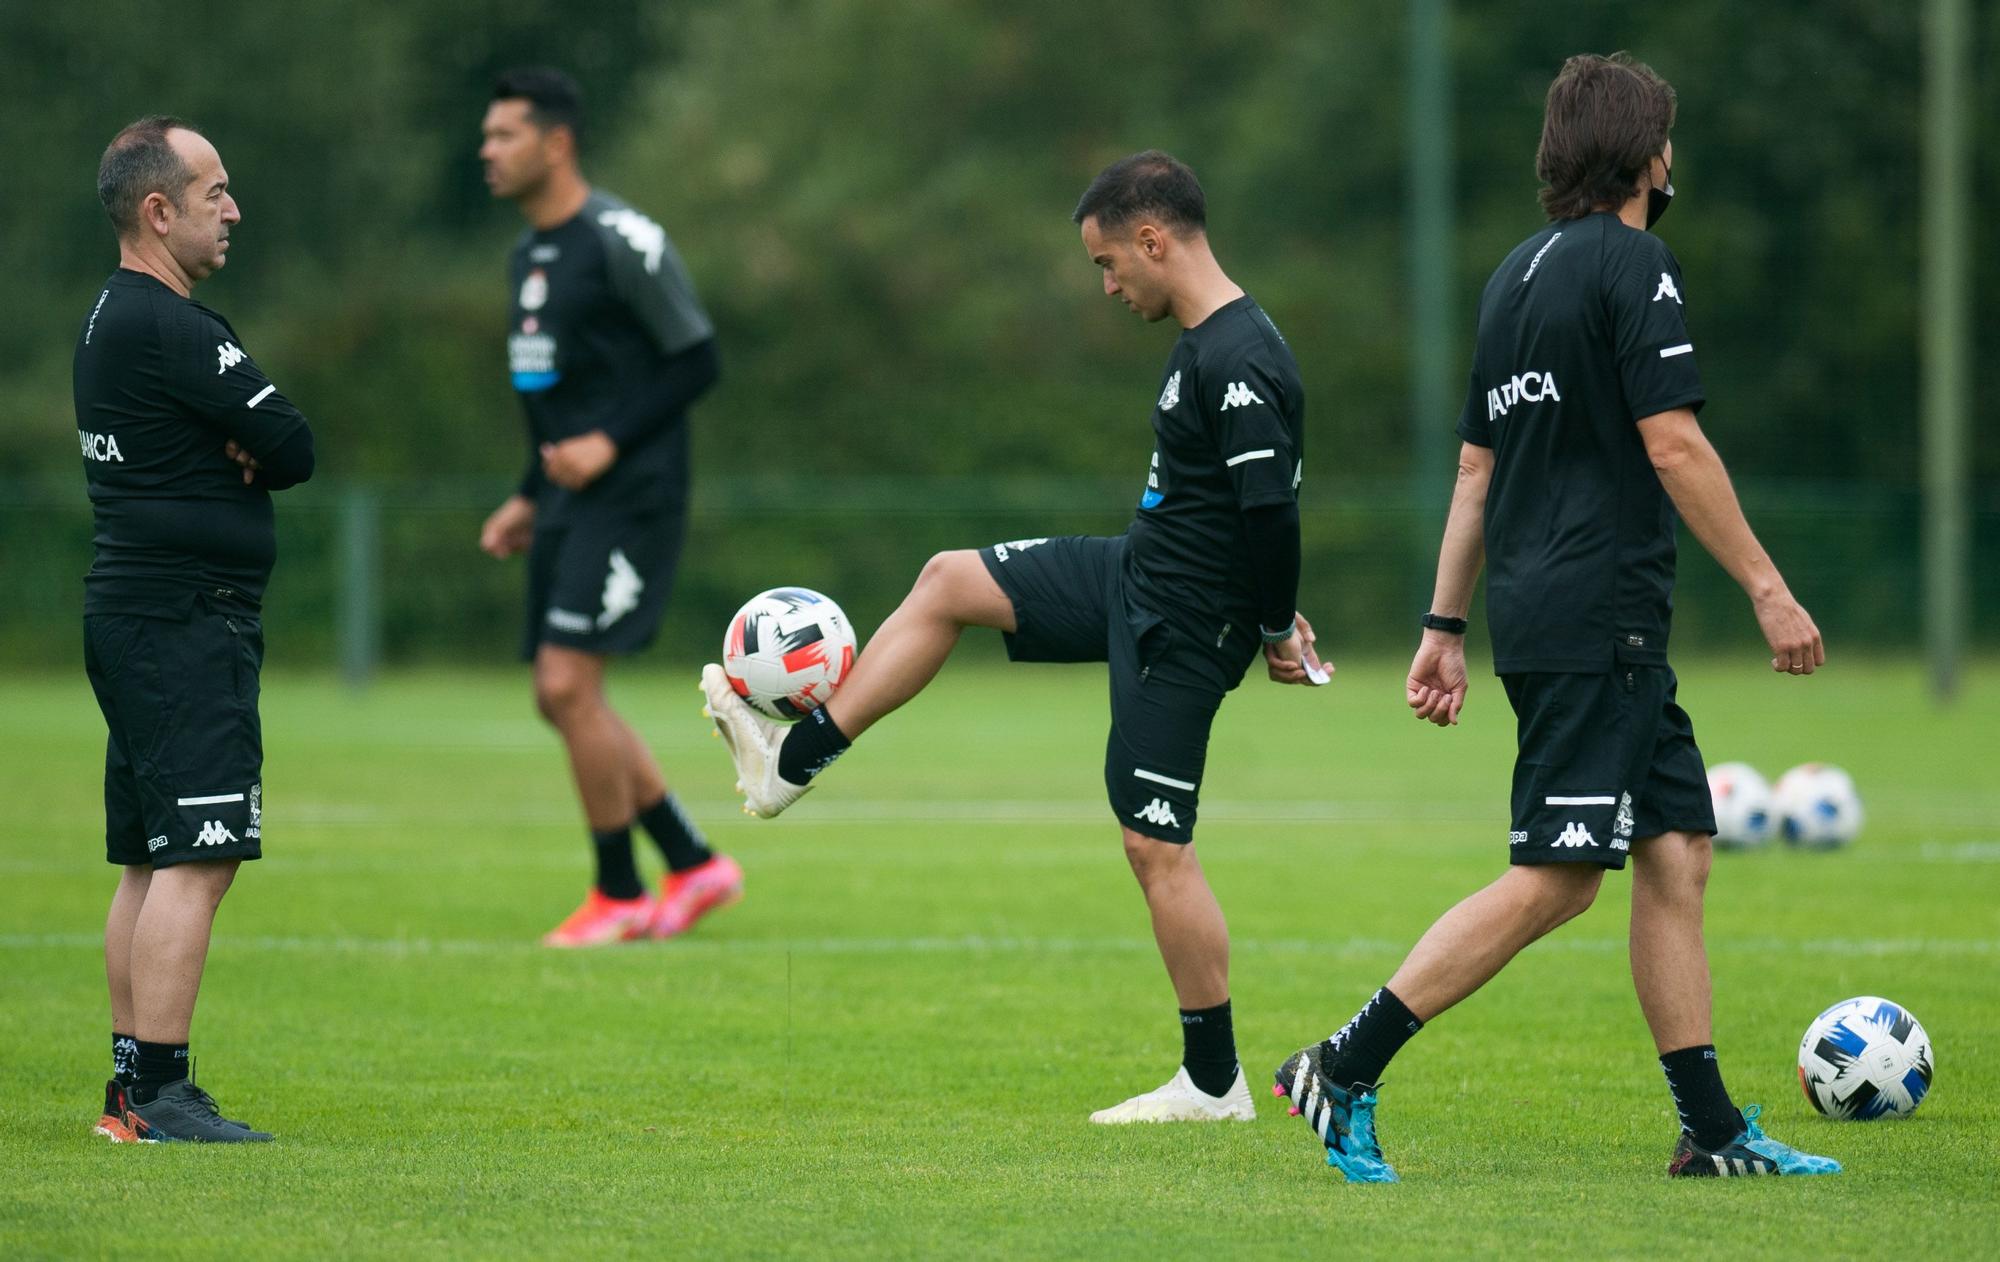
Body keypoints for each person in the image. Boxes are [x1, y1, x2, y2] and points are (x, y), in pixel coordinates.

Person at [1273, 53, 1840, 1182]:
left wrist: (1442, 623)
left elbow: (1476, 470)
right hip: (1597, 619)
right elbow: (1670, 441)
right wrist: (1768, 587)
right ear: (1645, 155)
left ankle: (1710, 1129)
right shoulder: (1637, 265)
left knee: (1674, 852)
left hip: (1561, 614)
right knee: (1559, 876)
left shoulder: (1510, 278)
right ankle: (1342, 1064)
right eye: (1666, 141)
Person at [701, 151, 1328, 1123]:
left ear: (1153, 239)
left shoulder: (1242, 357)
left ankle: (1212, 1082)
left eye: (1107, 263)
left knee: (1153, 842)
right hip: (1134, 575)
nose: (1108, 283)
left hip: (1185, 621)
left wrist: (1272, 624)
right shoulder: (1203, 345)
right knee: (950, 578)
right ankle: (791, 763)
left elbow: (1271, 516)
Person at [77, 116, 317, 1143]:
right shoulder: (175, 326)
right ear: (156, 210)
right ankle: (162, 1095)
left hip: (140, 615)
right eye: (214, 189)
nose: (234, 206)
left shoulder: (111, 319)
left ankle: (132, 1085)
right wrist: (241, 445)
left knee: (152, 855)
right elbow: (293, 444)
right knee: (198, 855)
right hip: (181, 621)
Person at [476, 68, 739, 947]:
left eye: (505, 134)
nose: (488, 151)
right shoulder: (526, 256)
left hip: (632, 496)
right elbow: (553, 403)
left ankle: (621, 892)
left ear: (557, 143)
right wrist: (525, 493)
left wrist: (608, 445)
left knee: (566, 683)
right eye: (487, 136)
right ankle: (693, 863)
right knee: (562, 697)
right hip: (566, 499)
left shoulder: (622, 237)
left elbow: (696, 360)